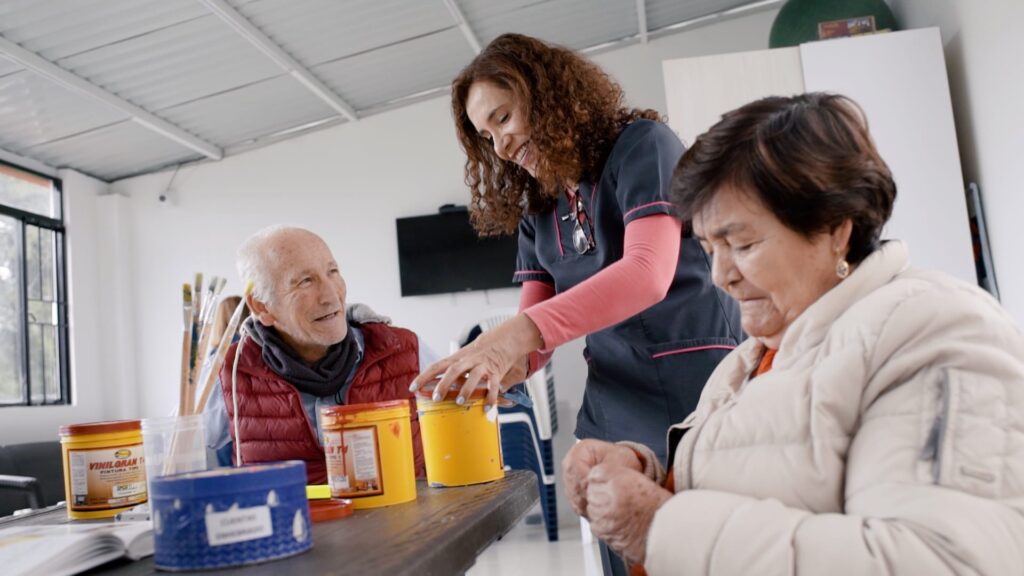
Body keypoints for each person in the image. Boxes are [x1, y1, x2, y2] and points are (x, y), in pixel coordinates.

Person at [562, 93, 1024, 575]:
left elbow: (939, 561)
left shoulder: (933, 332)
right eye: (708, 247)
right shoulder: (747, 361)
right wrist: (643, 476)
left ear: (834, 230)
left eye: (742, 244)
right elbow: (762, 482)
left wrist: (658, 528)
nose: (720, 276)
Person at [411, 33, 743, 574]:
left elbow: (646, 274)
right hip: (614, 406)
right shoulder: (537, 209)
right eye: (485, 134)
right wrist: (477, 373)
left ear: (546, 95)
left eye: (504, 117)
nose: (499, 145)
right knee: (627, 558)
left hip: (698, 391)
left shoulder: (642, 146)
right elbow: (533, 344)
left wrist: (514, 338)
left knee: (704, 556)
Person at [204, 225, 432, 483]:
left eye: (332, 271)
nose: (331, 295)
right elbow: (175, 456)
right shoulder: (229, 372)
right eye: (305, 281)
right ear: (261, 306)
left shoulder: (403, 349)